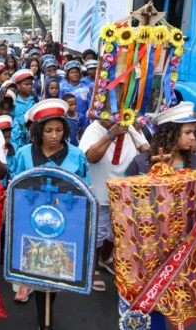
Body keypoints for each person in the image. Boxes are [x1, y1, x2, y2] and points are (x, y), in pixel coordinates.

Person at [124, 102, 196, 330]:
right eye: (187, 133)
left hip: (183, 243)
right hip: (148, 244)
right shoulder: (142, 164)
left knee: (178, 295)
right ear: (170, 133)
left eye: (193, 133)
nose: (192, 138)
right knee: (152, 296)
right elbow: (124, 203)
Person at [11, 98, 90, 330]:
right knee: (36, 268)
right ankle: (42, 320)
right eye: (48, 130)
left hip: (64, 225)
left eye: (59, 130)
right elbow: (14, 185)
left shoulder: (76, 156)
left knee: (56, 271)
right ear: (38, 131)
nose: (54, 135)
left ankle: (47, 314)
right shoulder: (24, 154)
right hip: (31, 223)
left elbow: (85, 189)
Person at [78, 110, 149, 291]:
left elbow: (147, 153)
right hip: (99, 190)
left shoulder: (130, 129)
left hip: (124, 193)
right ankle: (91, 268)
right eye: (112, 115)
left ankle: (105, 258)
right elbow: (90, 157)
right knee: (98, 233)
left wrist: (132, 131)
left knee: (116, 231)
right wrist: (111, 134)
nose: (115, 118)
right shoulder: (94, 130)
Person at [10, 69, 39, 149]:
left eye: (30, 84)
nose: (30, 86)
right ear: (18, 86)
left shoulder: (37, 100)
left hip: (34, 139)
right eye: (26, 84)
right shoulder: (12, 101)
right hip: (16, 141)